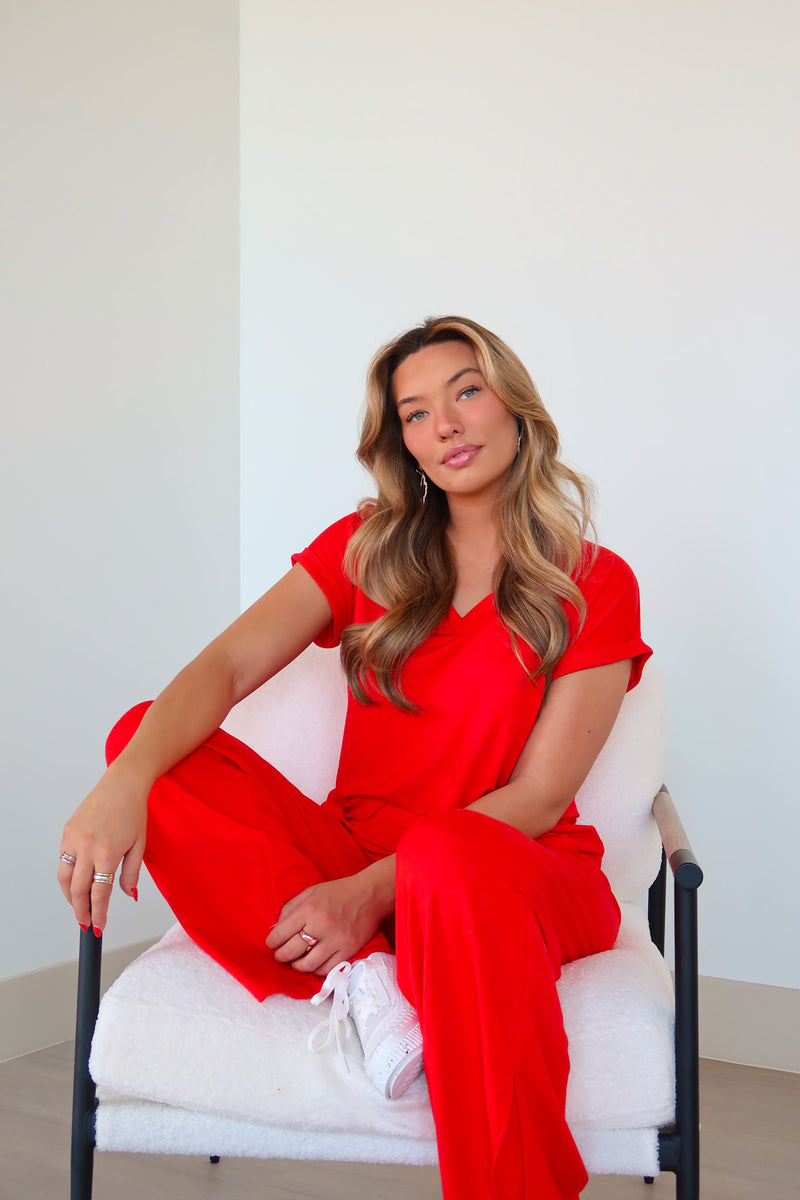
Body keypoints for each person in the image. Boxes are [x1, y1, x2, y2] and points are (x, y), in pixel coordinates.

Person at [58, 315, 651, 1200]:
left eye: (467, 391)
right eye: (415, 413)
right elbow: (225, 667)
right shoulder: (368, 547)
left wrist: (371, 892)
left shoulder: (595, 581)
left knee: (446, 852)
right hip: (359, 854)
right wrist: (124, 780)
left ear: (514, 406)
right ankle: (369, 976)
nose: (445, 424)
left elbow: (538, 795)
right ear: (402, 442)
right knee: (144, 737)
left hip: (512, 869)